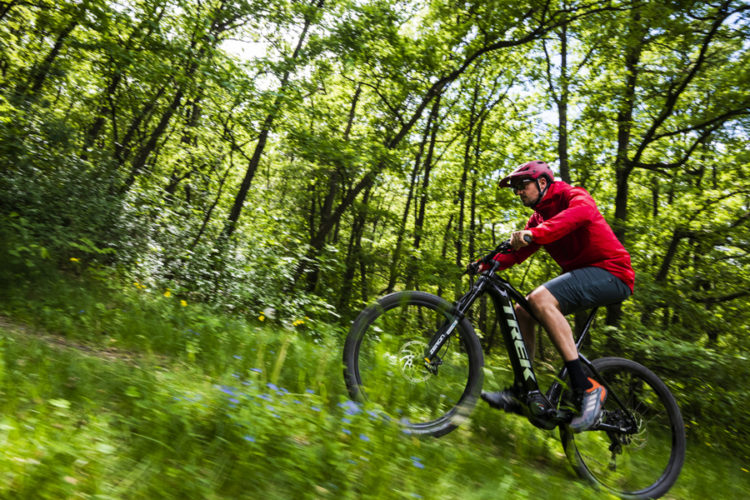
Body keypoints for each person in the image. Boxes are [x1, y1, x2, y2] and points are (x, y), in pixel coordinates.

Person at [477, 160, 634, 431]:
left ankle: (585, 388)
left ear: (541, 182)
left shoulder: (573, 195)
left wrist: (534, 234)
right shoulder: (538, 219)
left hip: (612, 272)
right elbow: (517, 252)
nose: (518, 193)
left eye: (522, 186)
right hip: (586, 274)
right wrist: (484, 264)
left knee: (540, 299)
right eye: (515, 189)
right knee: (523, 310)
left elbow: (576, 217)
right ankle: (525, 391)